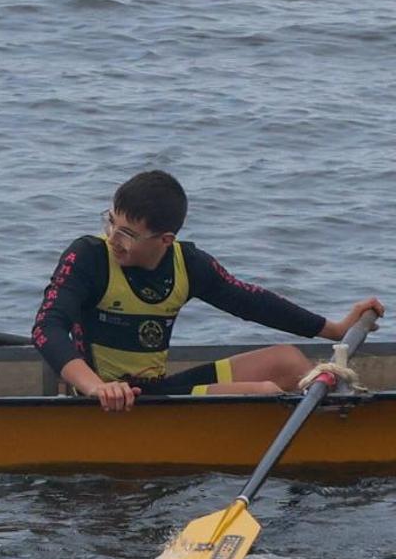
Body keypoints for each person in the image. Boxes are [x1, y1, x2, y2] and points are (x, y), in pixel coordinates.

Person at [32, 169, 383, 412]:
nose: (114, 239)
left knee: (288, 360)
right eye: (112, 223)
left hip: (156, 391)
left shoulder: (187, 263)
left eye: (127, 234)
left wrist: (334, 329)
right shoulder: (89, 256)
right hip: (104, 399)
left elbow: (252, 301)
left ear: (165, 240)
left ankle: (319, 427)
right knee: (265, 393)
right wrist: (96, 387)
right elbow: (47, 327)